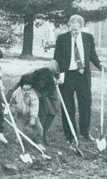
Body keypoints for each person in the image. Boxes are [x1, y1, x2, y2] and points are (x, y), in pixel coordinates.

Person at [53, 14, 107, 143]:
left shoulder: (88, 37)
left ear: (81, 27)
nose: (74, 32)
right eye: (72, 29)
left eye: (76, 30)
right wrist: (56, 74)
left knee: (86, 104)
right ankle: (70, 135)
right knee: (67, 105)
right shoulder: (62, 38)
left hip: (83, 74)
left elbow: (92, 54)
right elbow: (57, 57)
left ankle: (85, 132)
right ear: (69, 26)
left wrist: (100, 65)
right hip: (67, 75)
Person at [6, 60, 61, 146]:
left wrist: (57, 79)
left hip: (47, 91)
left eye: (44, 83)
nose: (42, 84)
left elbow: (55, 65)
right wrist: (7, 99)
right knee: (42, 112)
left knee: (52, 112)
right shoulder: (30, 77)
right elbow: (16, 87)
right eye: (41, 82)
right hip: (35, 92)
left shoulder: (50, 77)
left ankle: (43, 134)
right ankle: (38, 135)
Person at [9, 74, 44, 148]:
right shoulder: (16, 92)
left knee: (39, 128)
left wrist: (33, 118)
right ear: (22, 84)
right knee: (19, 129)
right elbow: (12, 102)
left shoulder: (32, 94)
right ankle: (19, 138)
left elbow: (34, 106)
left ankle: (38, 141)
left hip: (31, 115)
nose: (28, 87)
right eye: (26, 84)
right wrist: (12, 109)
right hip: (21, 115)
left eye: (29, 85)